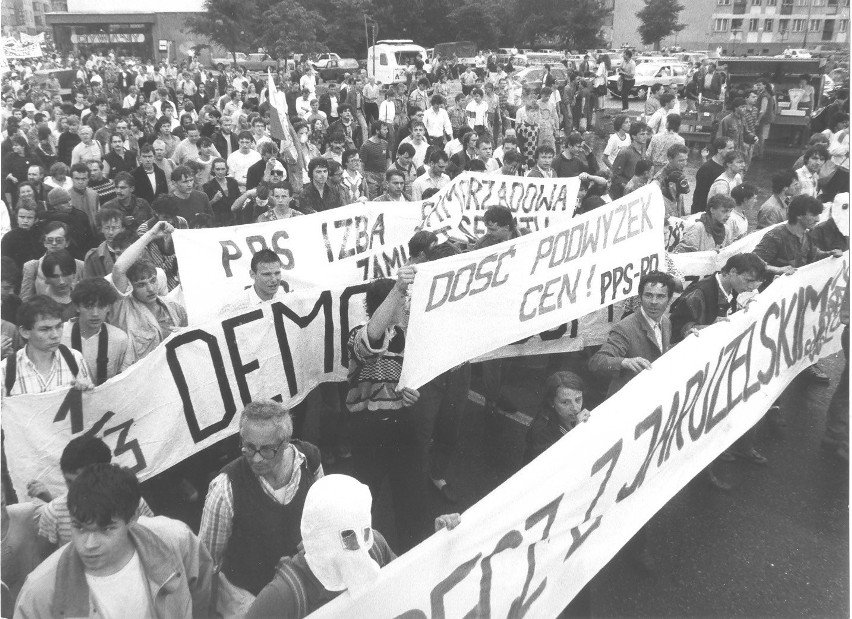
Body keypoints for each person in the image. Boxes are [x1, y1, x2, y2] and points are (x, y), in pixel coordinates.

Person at [14, 463, 213, 619]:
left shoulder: (176, 541)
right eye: (80, 527)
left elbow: (205, 597)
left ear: (133, 517)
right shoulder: (38, 592)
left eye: (106, 529)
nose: (89, 544)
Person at [246, 474, 460, 618]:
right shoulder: (283, 595)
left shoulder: (375, 546)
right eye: (346, 535)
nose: (358, 545)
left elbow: (408, 587)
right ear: (320, 535)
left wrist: (440, 544)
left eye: (363, 530)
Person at [199, 400, 322, 615]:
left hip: (304, 593)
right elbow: (206, 562)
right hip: (253, 603)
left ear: (284, 443)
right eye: (248, 447)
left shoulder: (309, 460)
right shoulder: (224, 489)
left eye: (266, 450)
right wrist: (235, 601)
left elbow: (324, 517)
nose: (255, 458)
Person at [754, 194, 844, 384]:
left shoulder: (806, 236)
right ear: (800, 215)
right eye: (813, 215)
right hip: (773, 300)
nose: (818, 219)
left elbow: (812, 255)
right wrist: (777, 269)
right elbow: (754, 261)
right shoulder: (776, 236)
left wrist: (829, 255)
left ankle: (801, 365)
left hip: (795, 299)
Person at [31, 436, 153, 557]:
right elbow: (42, 559)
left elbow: (152, 541)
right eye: (69, 482)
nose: (75, 490)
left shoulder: (132, 502)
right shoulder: (54, 512)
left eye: (82, 482)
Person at [109, 221, 188, 365]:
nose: (151, 289)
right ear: (130, 286)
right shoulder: (123, 309)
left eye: (153, 281)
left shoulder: (175, 309)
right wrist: (151, 234)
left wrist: (185, 334)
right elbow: (119, 269)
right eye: (141, 285)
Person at [1, 295, 92, 396]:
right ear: (25, 332)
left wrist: (87, 392)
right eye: (44, 329)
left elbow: (88, 405)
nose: (55, 335)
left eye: (59, 326)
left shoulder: (75, 358)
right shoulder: (5, 370)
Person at [58, 277, 129, 385]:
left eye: (101, 306)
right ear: (77, 307)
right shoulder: (59, 335)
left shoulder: (119, 339)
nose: (95, 313)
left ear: (109, 307)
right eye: (89, 307)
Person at [525, 371, 591, 464]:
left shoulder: (574, 411)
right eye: (565, 402)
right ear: (551, 402)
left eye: (578, 399)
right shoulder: (541, 431)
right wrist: (576, 432)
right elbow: (555, 465)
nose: (575, 408)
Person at [692, 138, 734, 215]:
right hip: (707, 212)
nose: (733, 151)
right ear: (719, 150)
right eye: (730, 148)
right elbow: (699, 196)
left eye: (733, 148)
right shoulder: (706, 169)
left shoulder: (728, 167)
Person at [611, 122, 651, 199]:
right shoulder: (625, 152)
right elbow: (615, 175)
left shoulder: (645, 153)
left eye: (646, 134)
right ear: (633, 136)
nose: (645, 136)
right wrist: (627, 186)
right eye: (642, 134)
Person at [204, 157, 241, 226]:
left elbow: (239, 199)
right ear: (213, 170)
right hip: (218, 221)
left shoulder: (233, 182)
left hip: (234, 219)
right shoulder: (208, 186)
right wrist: (214, 200)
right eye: (217, 169)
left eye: (223, 169)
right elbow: (205, 208)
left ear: (226, 169)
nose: (220, 172)